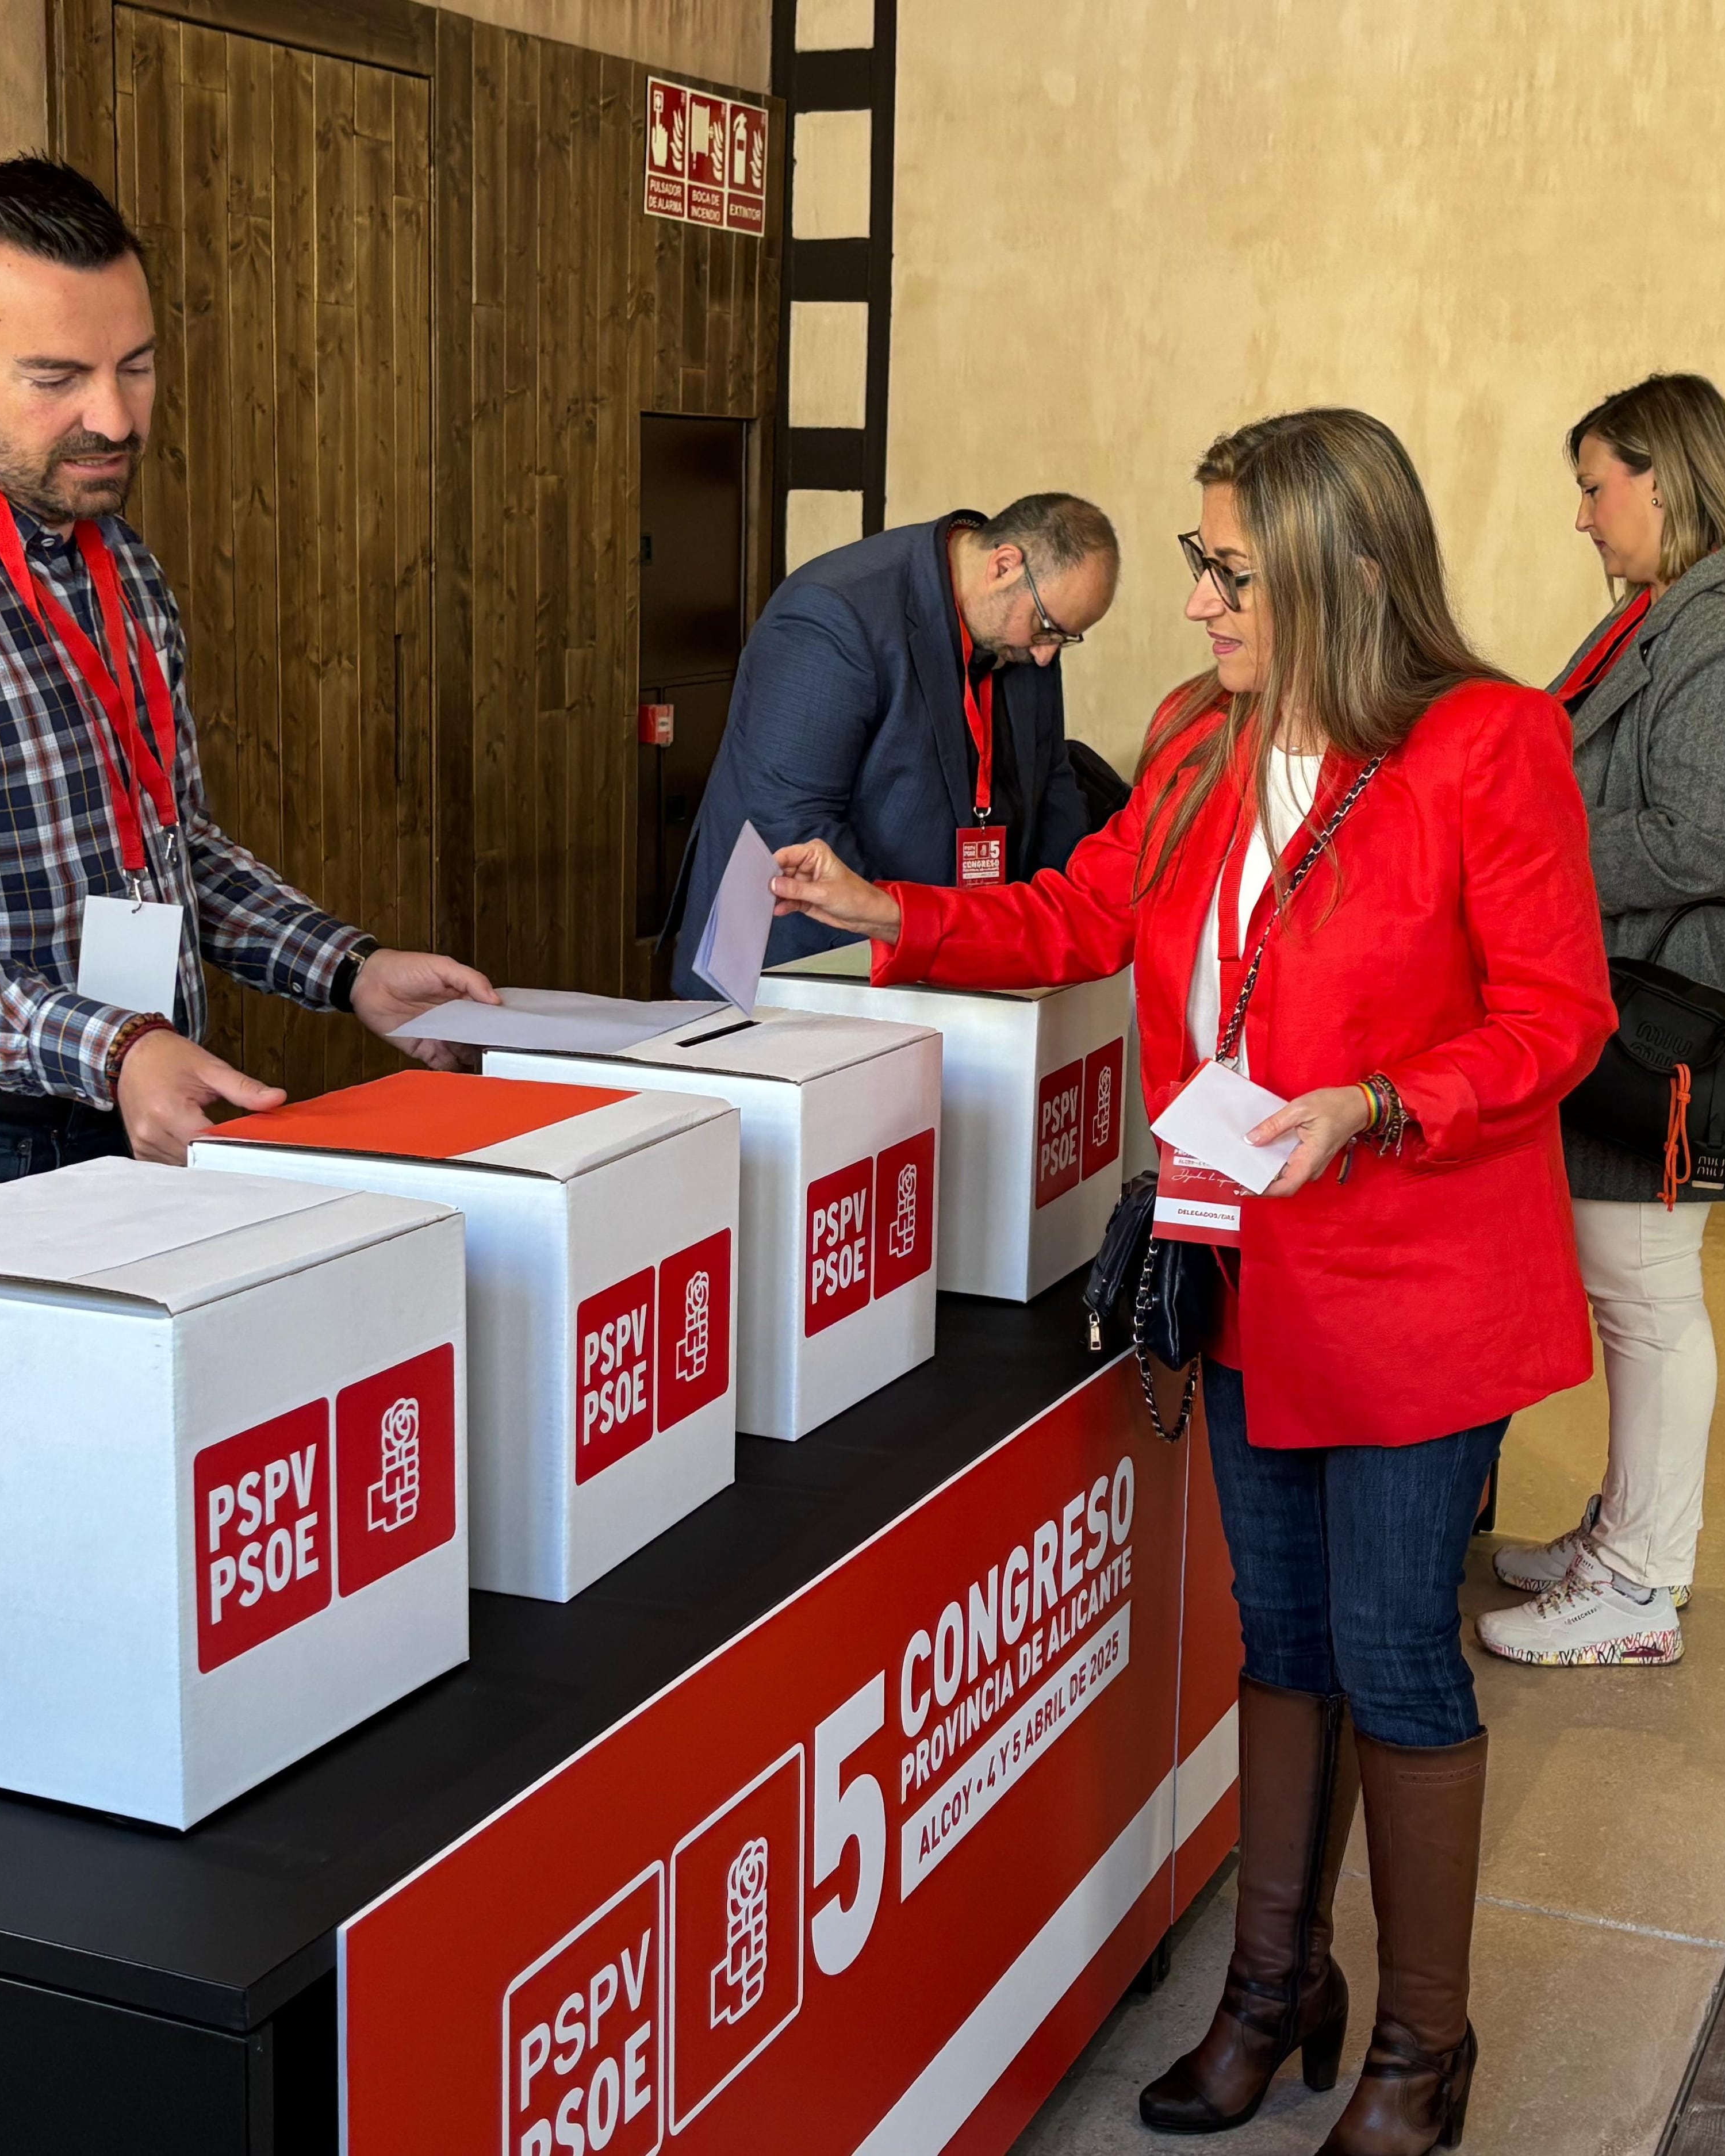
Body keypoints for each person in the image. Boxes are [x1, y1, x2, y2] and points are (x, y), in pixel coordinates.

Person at [770, 411, 1612, 2156]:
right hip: (1243, 1263)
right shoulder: (1189, 741)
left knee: (1393, 1650)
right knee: (1280, 1632)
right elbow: (1088, 913)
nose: (1200, 605)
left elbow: (1556, 1016)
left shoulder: (1483, 742)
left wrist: (1383, 1099)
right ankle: (1270, 1988)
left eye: (1231, 571)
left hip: (1412, 1272)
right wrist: (888, 906)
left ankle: (1416, 2048)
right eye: (1195, 562)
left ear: (1342, 573)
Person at [0, 156, 494, 1237]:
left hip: (118, 1115)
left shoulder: (119, 566)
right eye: (56, 378)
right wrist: (118, 1044)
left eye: (136, 366)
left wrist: (353, 971)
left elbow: (170, 852)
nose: (113, 416)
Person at [1477, 374, 1725, 1670]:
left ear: (1663, 479)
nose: (1582, 517)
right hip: (1639, 995)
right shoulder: (1673, 615)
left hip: (1672, 1021)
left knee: (1643, 1293)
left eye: (1594, 486)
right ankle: (1625, 1533)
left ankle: (1638, 1583)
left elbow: (1703, 835)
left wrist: (1523, 856)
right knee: (1631, 1288)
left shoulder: (1722, 629)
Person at [668, 493, 1120, 995]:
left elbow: (1052, 784)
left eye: (1064, 639)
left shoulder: (1023, 631)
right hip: (802, 966)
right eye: (1047, 630)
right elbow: (790, 819)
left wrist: (1048, 937)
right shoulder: (834, 614)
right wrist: (912, 938)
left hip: (947, 961)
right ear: (1003, 566)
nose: (1044, 657)